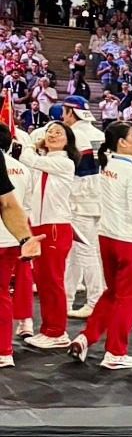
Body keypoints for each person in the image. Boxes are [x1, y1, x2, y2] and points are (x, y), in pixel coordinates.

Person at [69, 122, 132, 370]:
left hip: (108, 238)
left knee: (112, 294)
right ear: (123, 143)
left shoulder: (108, 166)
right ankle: (115, 352)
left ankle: (86, 337)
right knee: (129, 299)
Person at [15, 122, 78, 350]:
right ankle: (48, 329)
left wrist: (28, 143)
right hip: (41, 225)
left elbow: (28, 158)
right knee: (43, 282)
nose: (52, 135)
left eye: (58, 132)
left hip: (55, 227)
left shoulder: (64, 163)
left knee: (53, 281)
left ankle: (57, 331)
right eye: (49, 131)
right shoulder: (46, 164)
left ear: (68, 140)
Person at [0, 126, 42, 368]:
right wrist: (26, 237)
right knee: (7, 290)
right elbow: (22, 205)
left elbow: (8, 203)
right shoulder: (24, 169)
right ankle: (6, 348)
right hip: (14, 236)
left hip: (16, 235)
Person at [61, 96, 106, 318]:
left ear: (71, 112)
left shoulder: (75, 135)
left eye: (64, 111)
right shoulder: (99, 134)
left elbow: (78, 174)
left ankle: (95, 300)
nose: (62, 116)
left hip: (81, 203)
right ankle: (67, 299)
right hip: (99, 201)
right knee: (83, 253)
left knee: (85, 253)